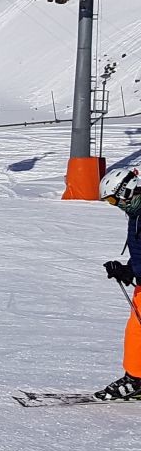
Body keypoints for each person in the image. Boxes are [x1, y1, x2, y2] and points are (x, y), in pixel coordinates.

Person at [96, 165, 141, 401]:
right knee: (135, 332)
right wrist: (128, 270)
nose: (116, 205)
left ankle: (136, 379)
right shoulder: (136, 214)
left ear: (127, 190)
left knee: (137, 333)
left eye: (114, 199)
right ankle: (136, 378)